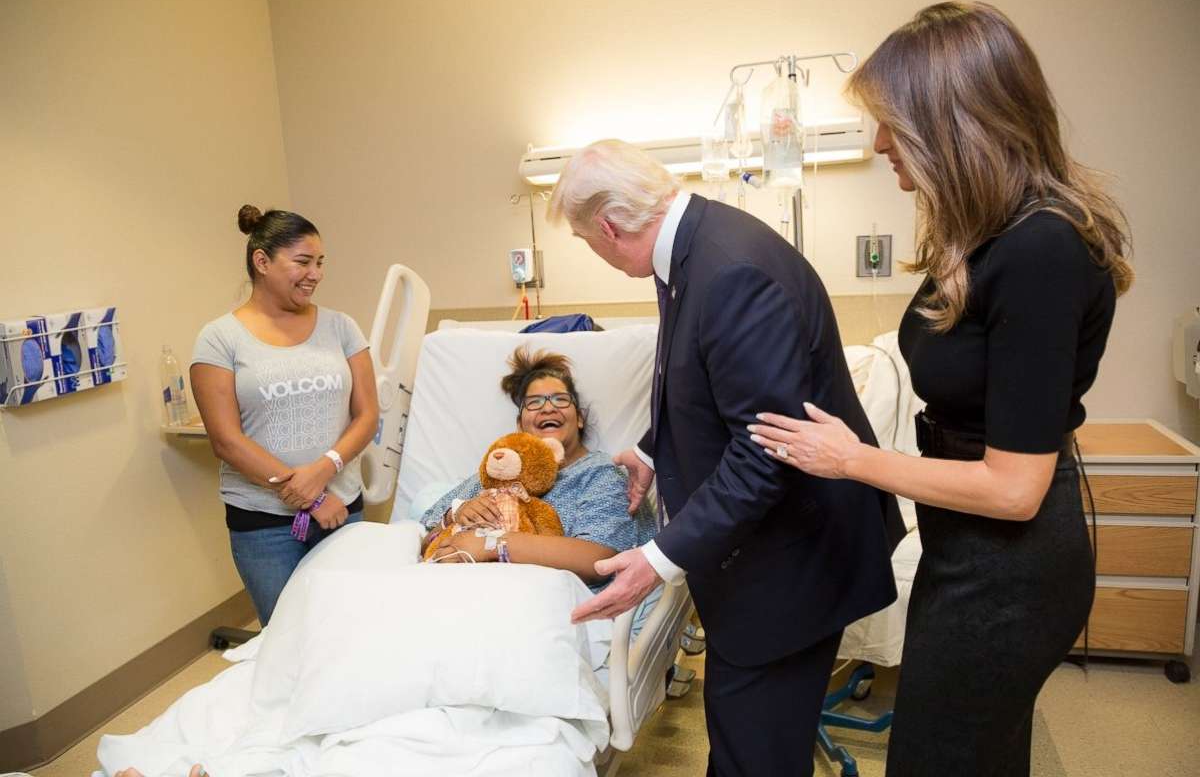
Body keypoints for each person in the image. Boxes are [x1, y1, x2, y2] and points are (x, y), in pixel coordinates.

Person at [747, 1, 1133, 777]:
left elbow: (1014, 487)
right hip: (966, 550)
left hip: (1009, 570)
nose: (879, 142)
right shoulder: (982, 237)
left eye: (893, 122)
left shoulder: (1040, 250)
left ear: (956, 121)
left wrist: (849, 459)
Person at [554, 139, 904, 775]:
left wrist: (658, 560)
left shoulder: (729, 270)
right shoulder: (693, 251)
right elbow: (707, 383)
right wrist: (653, 449)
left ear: (608, 226)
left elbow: (765, 450)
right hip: (772, 555)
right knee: (751, 744)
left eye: (585, 241)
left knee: (754, 755)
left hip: (790, 564)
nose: (595, 253)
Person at [190, 205, 380, 625]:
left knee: (352, 631)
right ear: (262, 262)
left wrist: (326, 468)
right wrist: (310, 495)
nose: (316, 273)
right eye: (303, 262)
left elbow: (367, 414)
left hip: (341, 511)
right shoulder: (220, 339)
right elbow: (226, 440)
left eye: (320, 262)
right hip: (264, 524)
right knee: (286, 640)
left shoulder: (341, 327)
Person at [420, 346, 656, 588]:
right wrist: (455, 515)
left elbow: (598, 561)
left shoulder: (601, 472)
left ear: (580, 418)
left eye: (561, 399)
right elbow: (428, 540)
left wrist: (491, 544)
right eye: (533, 403)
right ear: (521, 425)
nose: (547, 407)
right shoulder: (494, 474)